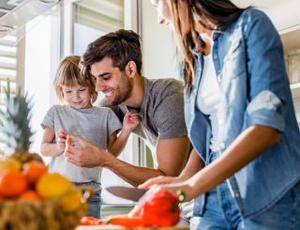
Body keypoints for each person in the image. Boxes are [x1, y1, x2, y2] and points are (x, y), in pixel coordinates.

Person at [139, 0, 300, 229]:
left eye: (157, 4)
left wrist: (193, 185)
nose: (160, 18)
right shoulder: (192, 59)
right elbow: (207, 139)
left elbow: (266, 127)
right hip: (213, 194)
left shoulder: (251, 26)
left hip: (265, 188)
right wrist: (183, 179)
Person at [64, 30, 190, 188]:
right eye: (95, 79)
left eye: (106, 77)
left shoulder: (169, 97)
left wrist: (105, 160)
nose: (98, 87)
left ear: (130, 69)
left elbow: (167, 176)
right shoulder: (113, 104)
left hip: (213, 186)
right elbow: (88, 134)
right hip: (183, 191)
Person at [40, 55, 139, 218]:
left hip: (90, 190)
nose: (75, 97)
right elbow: (44, 148)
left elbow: (111, 154)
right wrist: (58, 147)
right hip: (57, 188)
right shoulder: (56, 112)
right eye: (68, 91)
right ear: (60, 90)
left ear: (92, 86)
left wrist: (127, 130)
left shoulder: (105, 114)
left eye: (81, 90)